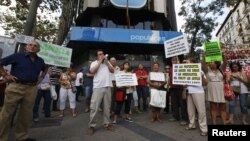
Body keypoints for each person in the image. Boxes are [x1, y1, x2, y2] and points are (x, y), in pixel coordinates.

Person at [0, 41, 47, 141]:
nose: (33, 47)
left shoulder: (40, 61)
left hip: (31, 88)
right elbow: (1, 63)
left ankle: (21, 137)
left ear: (38, 49)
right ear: (26, 47)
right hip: (16, 87)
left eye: (35, 46)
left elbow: (45, 68)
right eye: (30, 45)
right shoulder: (18, 56)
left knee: (26, 115)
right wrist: (5, 75)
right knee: (6, 114)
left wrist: (41, 78)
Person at [88, 49, 114, 135]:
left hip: (107, 87)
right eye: (99, 54)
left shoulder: (107, 62)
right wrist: (100, 62)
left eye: (102, 54)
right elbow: (92, 71)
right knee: (94, 108)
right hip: (98, 87)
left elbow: (112, 70)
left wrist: (106, 63)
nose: (102, 55)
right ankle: (92, 126)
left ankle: (107, 123)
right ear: (97, 56)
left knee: (107, 108)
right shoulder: (94, 63)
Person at [183, 57, 208, 136]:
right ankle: (192, 124)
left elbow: (206, 83)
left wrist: (202, 75)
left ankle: (204, 129)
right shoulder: (185, 71)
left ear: (192, 63)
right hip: (189, 92)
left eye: (187, 62)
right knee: (190, 110)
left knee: (201, 111)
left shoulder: (199, 71)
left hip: (198, 92)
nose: (185, 63)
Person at [201, 52, 227, 125]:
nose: (210, 63)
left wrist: (223, 56)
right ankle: (214, 123)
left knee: (223, 108)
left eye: (212, 62)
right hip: (211, 89)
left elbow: (225, 62)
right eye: (210, 62)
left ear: (216, 63)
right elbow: (202, 63)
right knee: (213, 107)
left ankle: (224, 123)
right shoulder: (207, 70)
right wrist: (204, 56)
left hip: (221, 89)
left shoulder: (221, 69)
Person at [169, 56, 188, 125]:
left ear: (177, 61)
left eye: (175, 60)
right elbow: (169, 77)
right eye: (173, 60)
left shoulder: (181, 67)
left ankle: (184, 119)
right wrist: (168, 85)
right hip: (173, 88)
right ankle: (176, 116)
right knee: (174, 103)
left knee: (182, 104)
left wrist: (179, 63)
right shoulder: (171, 68)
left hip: (180, 88)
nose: (174, 61)